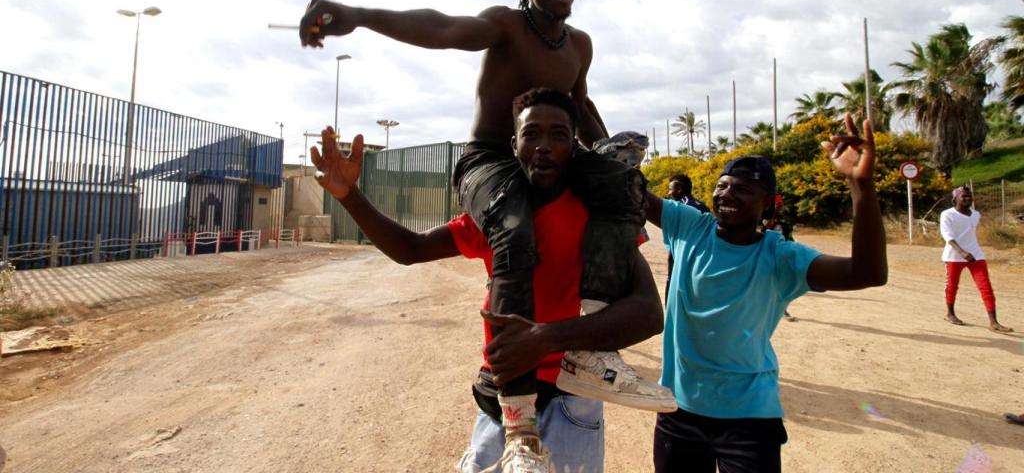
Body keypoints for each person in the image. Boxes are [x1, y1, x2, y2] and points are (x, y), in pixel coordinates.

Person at [297, 0, 672, 461]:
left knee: (622, 186)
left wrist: (609, 167)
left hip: (543, 161)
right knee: (514, 228)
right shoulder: (506, 24)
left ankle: (587, 353)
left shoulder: (580, 45)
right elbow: (443, 27)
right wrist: (358, 14)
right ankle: (517, 422)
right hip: (492, 162)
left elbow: (581, 107)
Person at [311, 89, 666, 472]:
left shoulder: (596, 216)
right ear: (514, 145)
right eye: (532, 134)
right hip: (503, 398)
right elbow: (410, 249)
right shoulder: (497, 216)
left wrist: (546, 337)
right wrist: (349, 196)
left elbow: (647, 312)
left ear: (574, 148)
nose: (544, 146)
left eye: (559, 135)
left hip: (572, 396)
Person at [644, 114, 888, 472]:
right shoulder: (689, 226)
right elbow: (627, 188)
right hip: (678, 412)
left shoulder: (781, 257)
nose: (727, 194)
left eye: (742, 189)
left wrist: (861, 187)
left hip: (749, 421)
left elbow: (868, 273)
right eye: (723, 185)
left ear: (769, 204)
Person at [940, 186, 1013, 332]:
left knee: (985, 286)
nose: (968, 199)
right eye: (964, 196)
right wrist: (962, 252)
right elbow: (947, 236)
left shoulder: (975, 215)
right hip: (954, 256)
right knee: (952, 286)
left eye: (969, 196)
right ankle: (950, 313)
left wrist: (969, 251)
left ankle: (993, 322)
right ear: (955, 198)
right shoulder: (947, 214)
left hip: (976, 255)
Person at [663, 174, 709, 302]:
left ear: (679, 189)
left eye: (671, 189)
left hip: (683, 257)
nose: (669, 193)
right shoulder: (702, 205)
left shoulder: (683, 207)